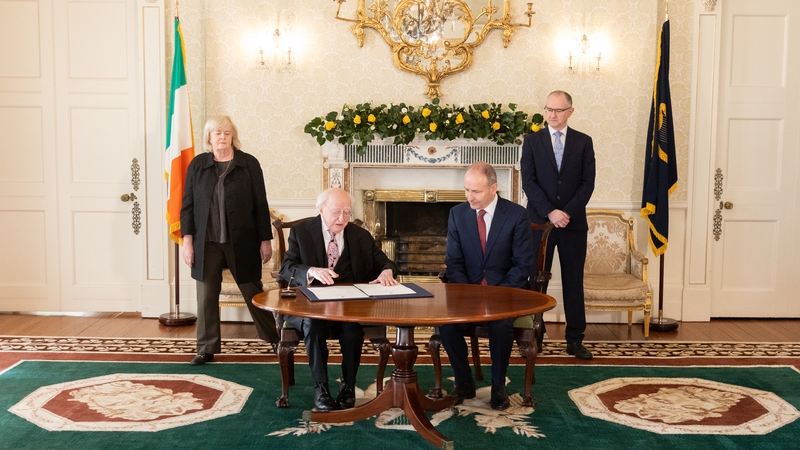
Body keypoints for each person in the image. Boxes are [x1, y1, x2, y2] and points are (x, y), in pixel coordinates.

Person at [279, 187, 398, 411]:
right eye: (335, 212)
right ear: (321, 209)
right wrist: (312, 271)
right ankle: (321, 388)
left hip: (348, 307)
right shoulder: (301, 231)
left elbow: (386, 263)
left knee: (352, 331)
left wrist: (387, 272)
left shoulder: (360, 235)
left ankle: (348, 387)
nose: (342, 218)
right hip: (308, 306)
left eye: (347, 212)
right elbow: (286, 268)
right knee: (312, 325)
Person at [180, 115, 280, 366]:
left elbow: (260, 204)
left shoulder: (248, 164)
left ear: (233, 136)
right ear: (209, 138)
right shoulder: (197, 165)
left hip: (242, 241)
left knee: (253, 292)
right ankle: (206, 348)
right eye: (216, 133)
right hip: (207, 243)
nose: (222, 137)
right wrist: (188, 242)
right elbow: (188, 206)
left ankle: (275, 339)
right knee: (205, 296)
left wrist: (265, 240)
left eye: (226, 132)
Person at [440, 162, 533, 411]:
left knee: (501, 324)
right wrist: (469, 294)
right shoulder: (457, 214)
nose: (470, 197)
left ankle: (498, 385)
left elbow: (522, 265)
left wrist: (495, 294)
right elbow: (454, 262)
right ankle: (463, 382)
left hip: (503, 293)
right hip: (466, 294)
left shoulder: (516, 215)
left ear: (494, 188)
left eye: (476, 192)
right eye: (466, 190)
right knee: (445, 326)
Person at [520, 90, 596, 360]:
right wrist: (551, 212)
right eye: (548, 109)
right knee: (534, 281)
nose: (552, 115)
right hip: (539, 224)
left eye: (558, 110)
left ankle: (575, 340)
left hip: (573, 225)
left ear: (570, 112)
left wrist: (566, 213)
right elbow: (528, 181)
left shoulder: (583, 142)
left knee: (573, 282)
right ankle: (532, 336)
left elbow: (588, 184)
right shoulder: (531, 141)